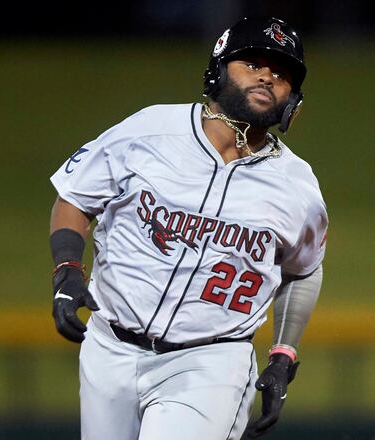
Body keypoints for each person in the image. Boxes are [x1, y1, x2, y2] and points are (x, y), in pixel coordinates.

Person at [48, 16, 327, 440]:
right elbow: (75, 196)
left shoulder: (298, 187)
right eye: (252, 63)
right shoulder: (150, 130)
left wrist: (282, 356)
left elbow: (304, 270)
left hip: (210, 364)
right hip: (109, 349)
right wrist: (67, 269)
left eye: (282, 73)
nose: (268, 75)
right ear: (218, 70)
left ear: (293, 99)